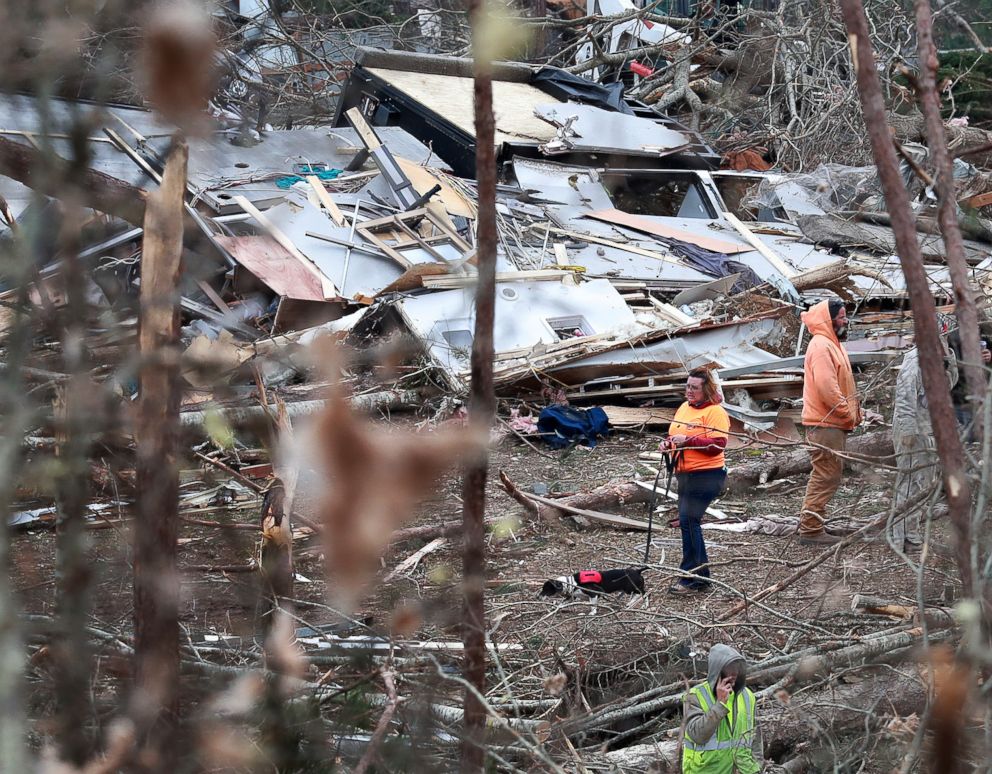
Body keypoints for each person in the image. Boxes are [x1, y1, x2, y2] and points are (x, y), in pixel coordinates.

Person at [797, 299, 861, 545]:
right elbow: (827, 387)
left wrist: (854, 411)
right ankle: (811, 530)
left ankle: (813, 523)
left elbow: (842, 383)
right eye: (842, 316)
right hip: (826, 424)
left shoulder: (832, 344)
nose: (846, 320)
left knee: (828, 475)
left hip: (833, 423)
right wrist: (846, 412)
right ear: (828, 319)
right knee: (825, 475)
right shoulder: (822, 345)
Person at [661, 367, 730, 595]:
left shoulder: (715, 412)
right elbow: (674, 435)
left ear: (706, 389)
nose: (689, 391)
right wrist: (668, 444)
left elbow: (717, 445)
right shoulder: (684, 408)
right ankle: (696, 576)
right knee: (688, 523)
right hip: (685, 474)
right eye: (687, 386)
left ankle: (695, 578)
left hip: (707, 475)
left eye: (694, 388)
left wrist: (688, 440)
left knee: (689, 520)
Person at [890, 346, 955, 553]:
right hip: (914, 429)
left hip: (927, 427)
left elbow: (950, 384)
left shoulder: (938, 355)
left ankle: (911, 533)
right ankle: (899, 536)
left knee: (921, 483)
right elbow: (904, 395)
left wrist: (949, 358)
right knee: (909, 483)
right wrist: (908, 430)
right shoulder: (914, 359)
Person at [682, 643, 763, 773]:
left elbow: (755, 738)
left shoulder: (748, 696)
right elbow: (697, 736)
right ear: (717, 670)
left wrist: (757, 766)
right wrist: (720, 704)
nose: (734, 673)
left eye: (737, 668)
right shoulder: (696, 695)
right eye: (729, 668)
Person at [946, 329, 991, 440]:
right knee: (968, 440)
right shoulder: (953, 339)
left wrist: (989, 356)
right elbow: (951, 367)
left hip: (983, 398)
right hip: (961, 399)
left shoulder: (983, 334)